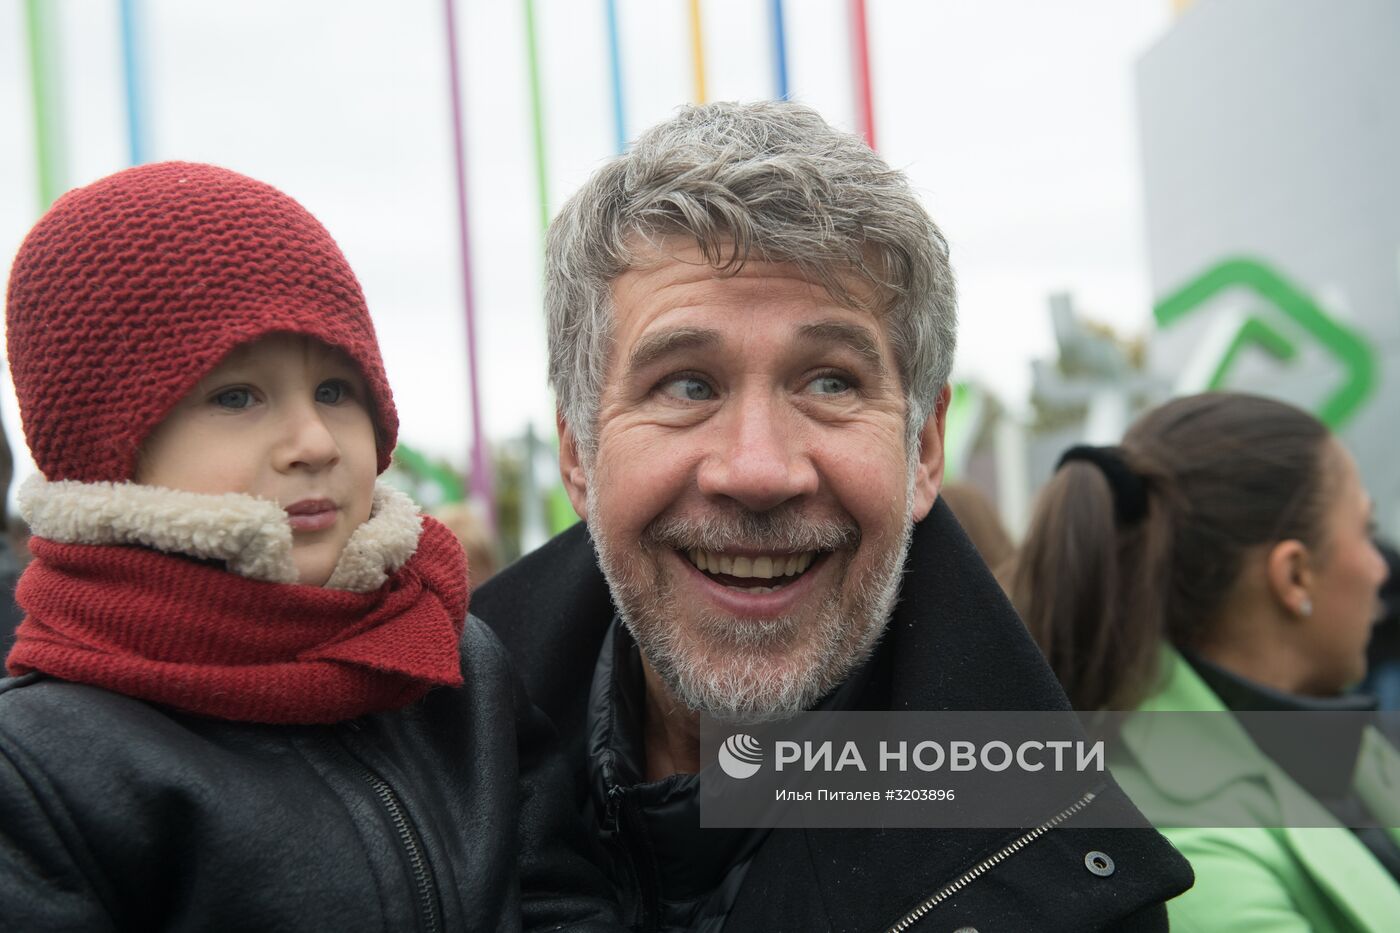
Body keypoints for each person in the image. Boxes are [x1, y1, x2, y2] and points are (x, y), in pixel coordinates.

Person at [471, 101, 1192, 931]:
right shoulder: (413, 762)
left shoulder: (1074, 892)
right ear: (578, 455)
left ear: (923, 449)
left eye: (831, 383)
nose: (759, 471)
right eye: (687, 384)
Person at [0, 162, 621, 931]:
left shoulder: (453, 664)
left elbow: (560, 897)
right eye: (237, 396)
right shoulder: (39, 766)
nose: (314, 441)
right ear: (107, 445)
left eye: (335, 389)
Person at [1010, 392, 1400, 931]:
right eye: (1366, 529)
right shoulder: (1180, 851)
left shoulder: (1337, 746)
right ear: (1295, 577)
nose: (1382, 567)